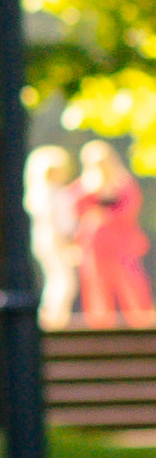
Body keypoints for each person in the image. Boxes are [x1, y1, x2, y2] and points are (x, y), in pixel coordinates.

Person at [73, 138, 152, 327]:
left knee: (131, 281)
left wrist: (105, 214)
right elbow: (76, 207)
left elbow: (129, 210)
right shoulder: (84, 185)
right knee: (96, 285)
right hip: (94, 245)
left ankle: (142, 322)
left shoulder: (123, 183)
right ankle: (99, 326)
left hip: (121, 243)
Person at [27, 146, 82, 331]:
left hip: (45, 238)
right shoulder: (52, 193)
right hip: (55, 238)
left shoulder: (40, 193)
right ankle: (53, 318)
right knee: (63, 279)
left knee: (57, 278)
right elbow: (61, 221)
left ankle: (54, 317)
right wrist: (68, 241)